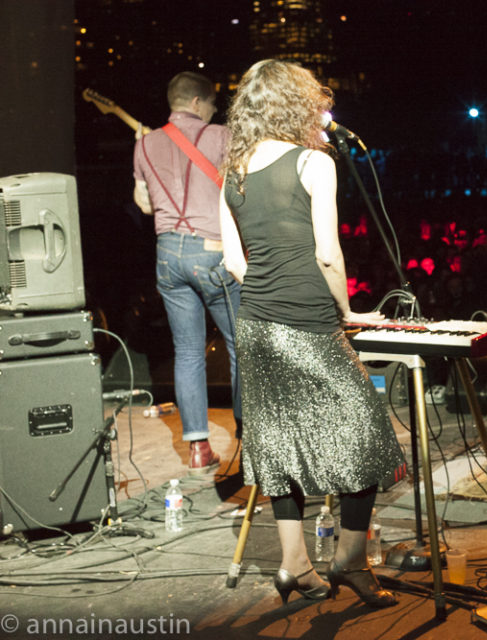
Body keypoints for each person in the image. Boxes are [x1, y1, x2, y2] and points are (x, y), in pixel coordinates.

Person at [219, 59, 403, 608]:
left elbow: (233, 261)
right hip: (309, 322)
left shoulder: (232, 170)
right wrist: (347, 309)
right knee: (368, 436)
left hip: (255, 324)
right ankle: (350, 560)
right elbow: (327, 252)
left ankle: (293, 564)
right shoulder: (314, 163)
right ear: (295, 104)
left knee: (279, 444)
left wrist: (269, 291)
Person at [132, 71, 240, 474]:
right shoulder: (219, 137)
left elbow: (144, 205)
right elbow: (238, 191)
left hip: (167, 254)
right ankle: (250, 436)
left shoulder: (143, 145)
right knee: (239, 348)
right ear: (198, 103)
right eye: (212, 105)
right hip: (210, 251)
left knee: (189, 352)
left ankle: (197, 447)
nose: (214, 112)